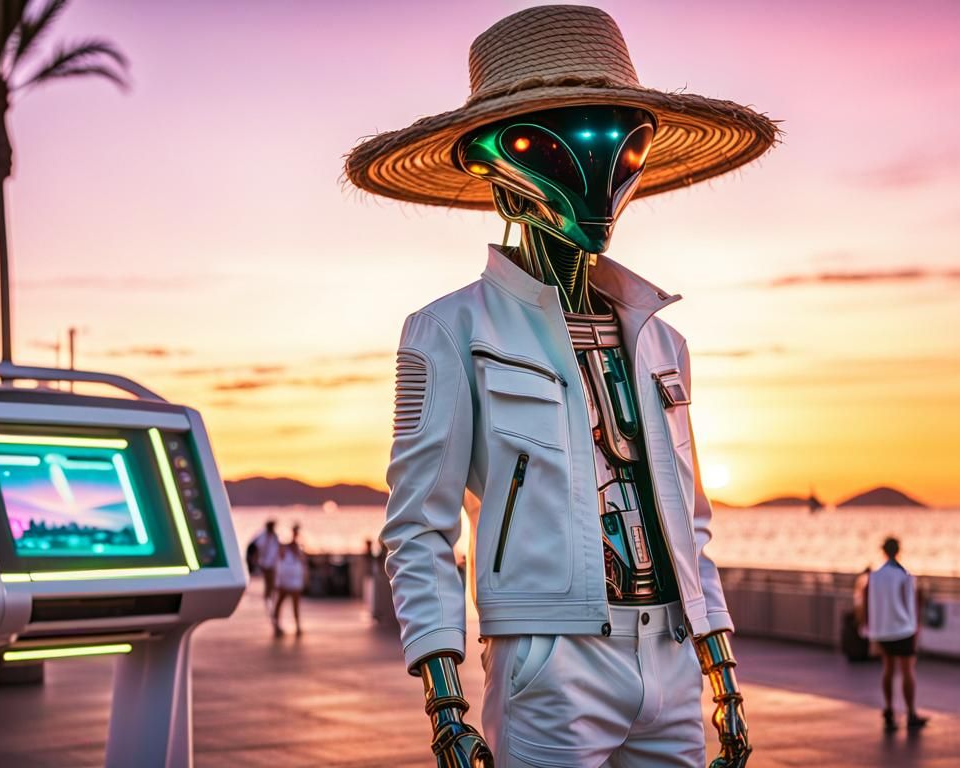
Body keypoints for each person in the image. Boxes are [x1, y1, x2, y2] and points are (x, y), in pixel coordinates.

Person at [348, 5, 778, 765]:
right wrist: (444, 699)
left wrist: (721, 672)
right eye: (549, 144)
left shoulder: (661, 340)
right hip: (550, 657)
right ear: (502, 182)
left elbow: (689, 519)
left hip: (671, 656)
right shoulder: (451, 331)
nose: (597, 165)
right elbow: (418, 524)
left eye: (618, 138)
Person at [861, 537, 929, 732]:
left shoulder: (874, 576)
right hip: (902, 628)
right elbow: (910, 604)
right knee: (907, 670)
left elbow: (866, 599)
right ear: (898, 550)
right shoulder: (904, 575)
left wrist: (869, 626)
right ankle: (910, 712)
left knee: (888, 669)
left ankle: (889, 709)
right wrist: (915, 627)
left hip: (882, 629)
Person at [272, 524, 307, 635]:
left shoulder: (296, 548)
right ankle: (277, 625)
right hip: (286, 580)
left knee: (289, 604)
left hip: (292, 580)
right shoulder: (288, 548)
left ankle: (295, 627)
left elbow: (302, 562)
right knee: (281, 603)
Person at [249, 520, 281, 604]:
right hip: (266, 563)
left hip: (272, 563)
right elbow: (257, 549)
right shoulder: (264, 536)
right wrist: (256, 561)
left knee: (271, 582)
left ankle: (269, 598)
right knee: (269, 582)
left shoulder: (274, 536)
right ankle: (268, 598)